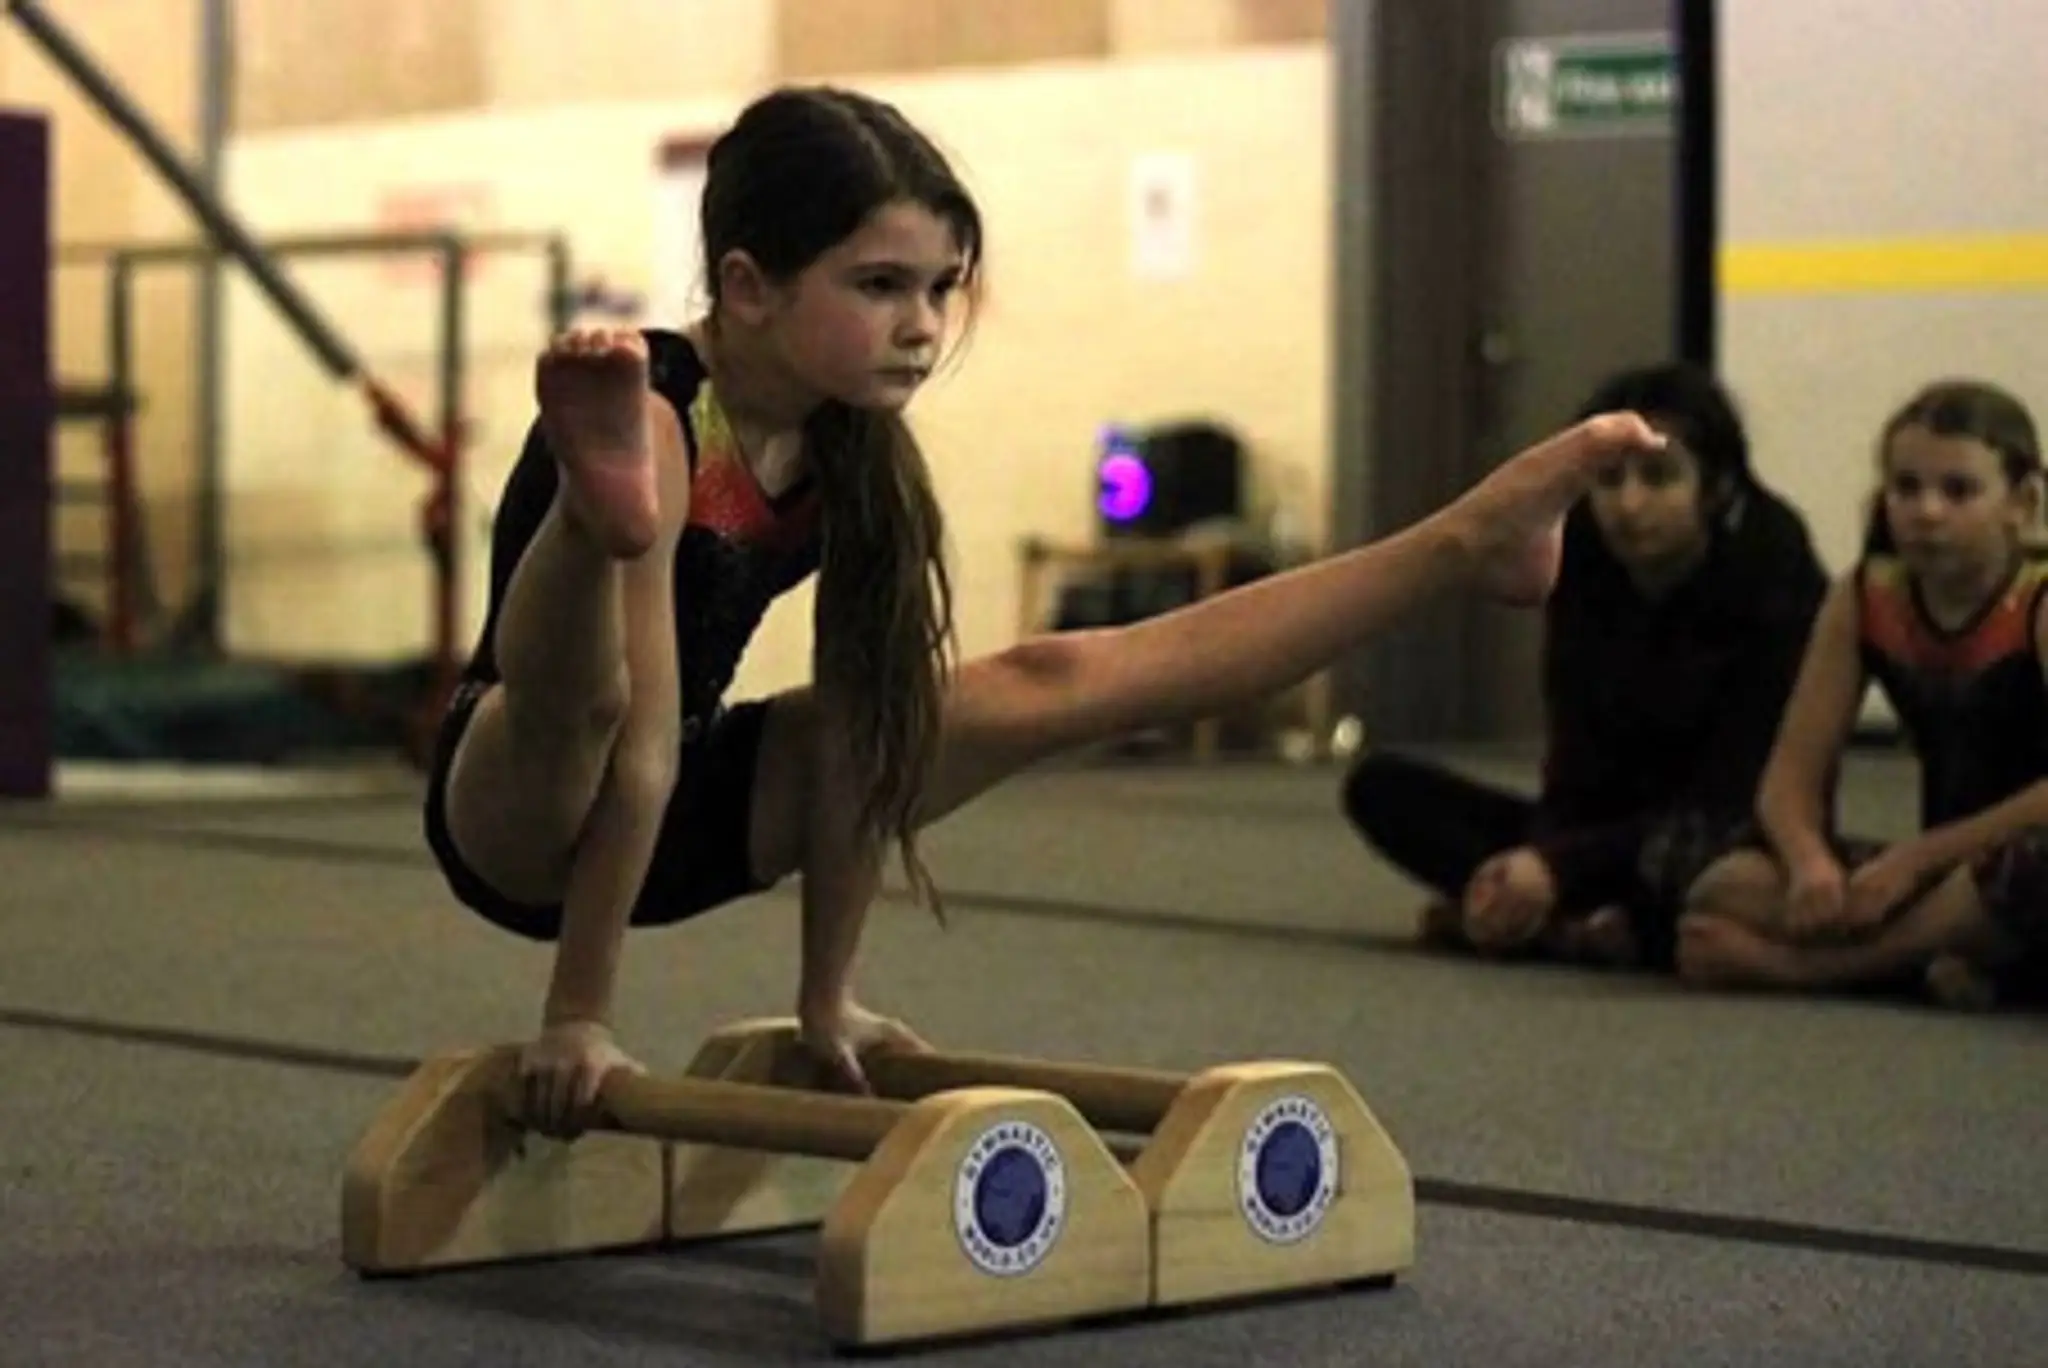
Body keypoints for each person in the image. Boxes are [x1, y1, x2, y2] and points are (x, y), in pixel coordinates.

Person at [418, 84, 1671, 1137]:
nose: (919, 328)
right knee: (587, 702)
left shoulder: (854, 458)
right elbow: (632, 744)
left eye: (938, 289)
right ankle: (599, 522)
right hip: (517, 805)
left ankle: (1463, 542)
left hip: (683, 801)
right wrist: (579, 1013)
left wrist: (826, 1001)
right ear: (746, 287)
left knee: (1051, 678)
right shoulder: (656, 400)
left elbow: (868, 739)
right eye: (878, 286)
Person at [1340, 363, 1828, 972]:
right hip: (1605, 830)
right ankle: (1578, 924)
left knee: (1720, 870)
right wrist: (1545, 858)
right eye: (1609, 479)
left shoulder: (1773, 565)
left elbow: (1738, 788)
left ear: (1718, 487)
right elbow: (1573, 753)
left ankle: (1564, 924)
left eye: (1658, 478)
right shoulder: (1583, 553)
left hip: (1721, 827)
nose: (1629, 505)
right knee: (1382, 789)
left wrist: (1559, 868)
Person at [1677, 378, 2048, 1007]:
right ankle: (1949, 957)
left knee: (2026, 875)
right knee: (1727, 881)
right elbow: (1789, 779)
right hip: (1948, 884)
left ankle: (1812, 970)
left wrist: (1918, 859)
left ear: (2024, 501)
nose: (1927, 511)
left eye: (1958, 491)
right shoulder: (1865, 598)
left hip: (2007, 857)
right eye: (1907, 488)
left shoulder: (2038, 600)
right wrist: (1808, 864)